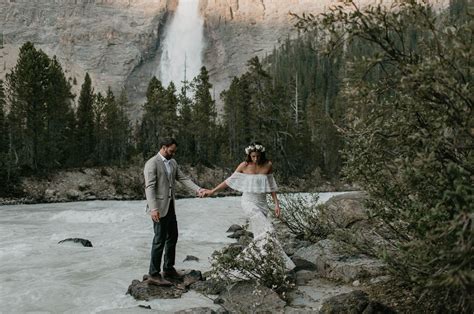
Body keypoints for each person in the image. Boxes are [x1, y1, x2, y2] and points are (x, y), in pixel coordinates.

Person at [203, 142, 295, 270]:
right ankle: (242, 263)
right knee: (269, 230)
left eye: (257, 156)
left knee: (260, 235)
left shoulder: (268, 165)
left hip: (262, 203)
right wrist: (212, 191)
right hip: (248, 201)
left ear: (261, 155)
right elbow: (229, 181)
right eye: (253, 156)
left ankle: (263, 264)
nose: (255, 159)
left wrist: (277, 205)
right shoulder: (244, 165)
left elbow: (272, 186)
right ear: (249, 156)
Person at [143, 138, 204, 285]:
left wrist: (198, 189)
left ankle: (168, 268)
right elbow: (149, 187)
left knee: (173, 237)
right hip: (158, 208)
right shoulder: (152, 163)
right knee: (159, 240)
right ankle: (153, 274)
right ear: (164, 148)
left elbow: (183, 178)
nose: (173, 154)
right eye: (171, 151)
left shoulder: (173, 162)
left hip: (170, 206)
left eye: (174, 151)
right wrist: (153, 209)